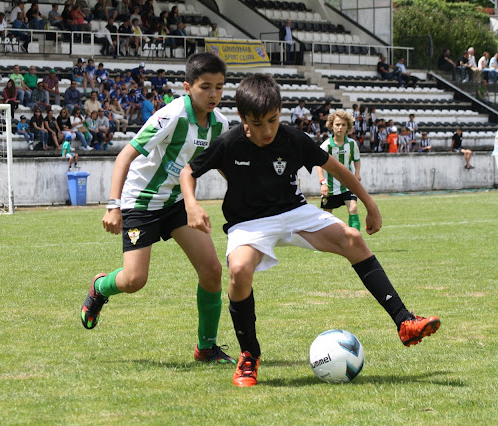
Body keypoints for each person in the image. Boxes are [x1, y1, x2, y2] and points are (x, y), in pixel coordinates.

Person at [179, 73, 441, 387]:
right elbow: (188, 171)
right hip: (249, 223)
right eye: (257, 123)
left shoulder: (293, 138)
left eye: (273, 120)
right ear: (242, 117)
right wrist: (191, 204)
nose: (267, 130)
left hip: (295, 212)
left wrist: (370, 204)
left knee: (352, 238)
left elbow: (337, 168)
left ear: (280, 111)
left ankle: (405, 322)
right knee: (239, 270)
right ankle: (249, 354)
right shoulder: (229, 143)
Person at [80, 53, 235, 365]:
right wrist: (113, 205)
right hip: (141, 202)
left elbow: (222, 163)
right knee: (134, 280)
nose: (213, 94)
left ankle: (206, 347)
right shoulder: (172, 116)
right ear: (188, 87)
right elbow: (125, 155)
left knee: (212, 270)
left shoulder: (220, 124)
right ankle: (100, 287)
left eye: (219, 87)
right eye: (206, 87)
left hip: (177, 203)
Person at [315, 110, 362, 230]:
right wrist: (323, 183)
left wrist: (357, 173)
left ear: (348, 127)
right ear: (331, 126)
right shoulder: (326, 146)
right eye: (337, 124)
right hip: (330, 186)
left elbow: (356, 160)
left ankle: (355, 238)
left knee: (353, 208)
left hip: (348, 183)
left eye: (343, 125)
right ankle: (325, 239)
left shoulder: (352, 144)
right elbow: (319, 165)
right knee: (326, 216)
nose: (340, 127)